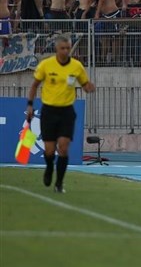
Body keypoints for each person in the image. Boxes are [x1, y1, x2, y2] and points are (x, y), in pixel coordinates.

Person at [26, 35, 96, 193]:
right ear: (56, 49)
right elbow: (34, 85)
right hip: (49, 111)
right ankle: (49, 167)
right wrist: (30, 105)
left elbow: (85, 85)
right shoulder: (46, 65)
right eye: (62, 48)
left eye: (68, 48)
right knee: (49, 150)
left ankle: (59, 183)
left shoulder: (76, 66)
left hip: (66, 112)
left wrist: (90, 88)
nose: (65, 51)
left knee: (63, 148)